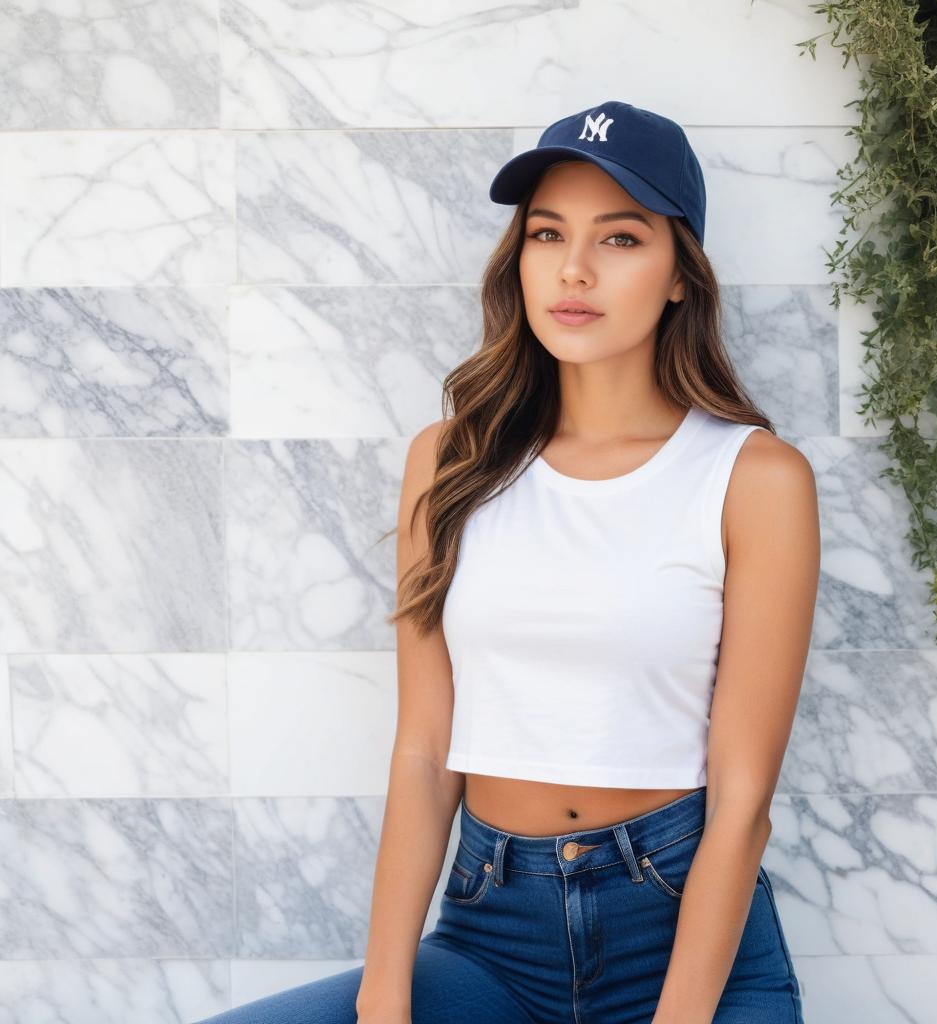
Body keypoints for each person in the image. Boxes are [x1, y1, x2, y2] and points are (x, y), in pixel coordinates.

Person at [195, 99, 818, 1024]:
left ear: (681, 273)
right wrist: (385, 994)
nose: (573, 269)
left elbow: (742, 799)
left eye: (620, 238)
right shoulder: (449, 461)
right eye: (547, 234)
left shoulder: (754, 477)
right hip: (494, 941)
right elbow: (423, 751)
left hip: (686, 939)